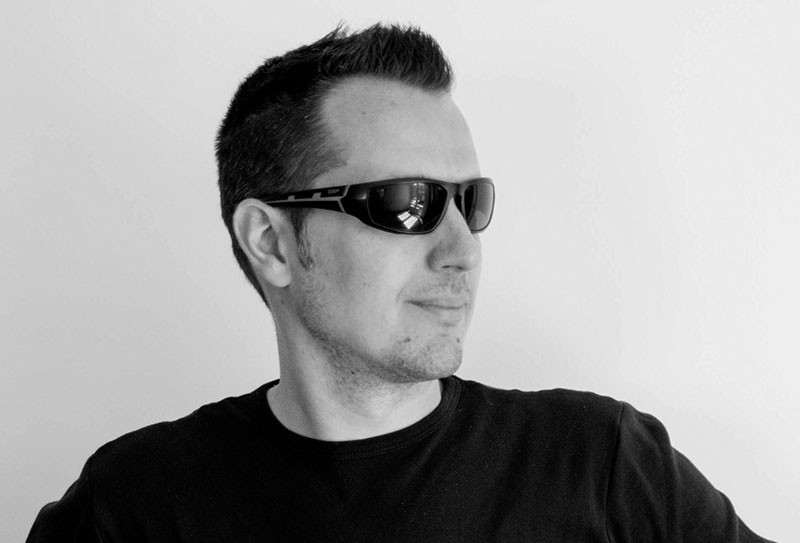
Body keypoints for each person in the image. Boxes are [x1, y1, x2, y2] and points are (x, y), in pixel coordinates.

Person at [28, 23, 775, 542]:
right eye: (406, 204)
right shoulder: (135, 507)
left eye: (468, 202)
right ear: (272, 243)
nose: (463, 250)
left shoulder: (604, 468)